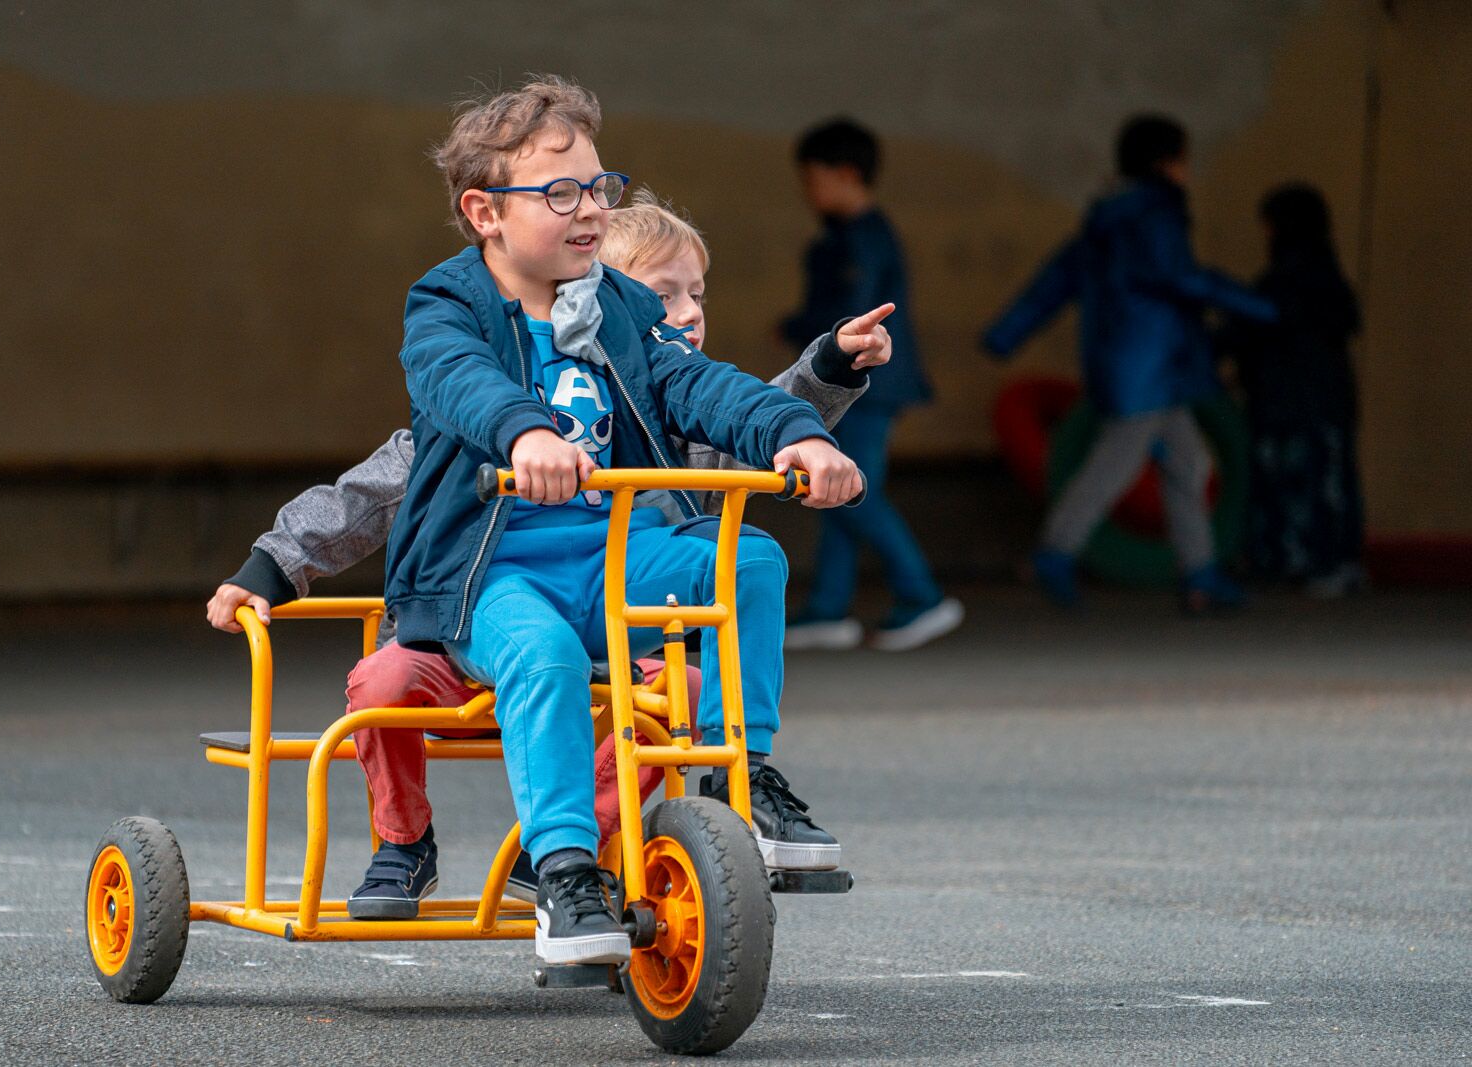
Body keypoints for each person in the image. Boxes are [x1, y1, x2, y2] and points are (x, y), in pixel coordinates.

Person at [209, 86, 876, 964]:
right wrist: (524, 432)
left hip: (615, 556)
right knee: (542, 655)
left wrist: (797, 432)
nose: (591, 208)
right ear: (485, 213)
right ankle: (562, 869)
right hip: (493, 572)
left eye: (599, 188)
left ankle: (735, 771)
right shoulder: (445, 305)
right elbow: (456, 382)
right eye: (561, 192)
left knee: (743, 560)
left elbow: (702, 386)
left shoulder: (622, 311)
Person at [982, 114, 1279, 613]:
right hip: (1152, 368)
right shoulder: (1154, 215)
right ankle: (1054, 552)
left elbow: (1058, 278)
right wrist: (1263, 308)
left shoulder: (1107, 217)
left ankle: (1201, 575)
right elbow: (1182, 278)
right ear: (1168, 163)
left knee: (1188, 462)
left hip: (1135, 366)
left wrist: (1006, 333)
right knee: (1115, 464)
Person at [781, 119, 963, 652]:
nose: (807, 191)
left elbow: (847, 312)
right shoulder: (851, 235)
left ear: (847, 174)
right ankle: (828, 610)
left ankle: (923, 596)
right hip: (864, 383)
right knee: (836, 491)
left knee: (855, 491)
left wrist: (800, 329)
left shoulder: (861, 239)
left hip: (865, 385)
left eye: (813, 179)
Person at [1220, 183, 1364, 595]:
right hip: (1310, 400)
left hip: (1300, 401)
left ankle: (1319, 561)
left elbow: (1245, 330)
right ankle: (1310, 561)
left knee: (1306, 483)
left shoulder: (1288, 280)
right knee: (1312, 482)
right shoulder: (1320, 276)